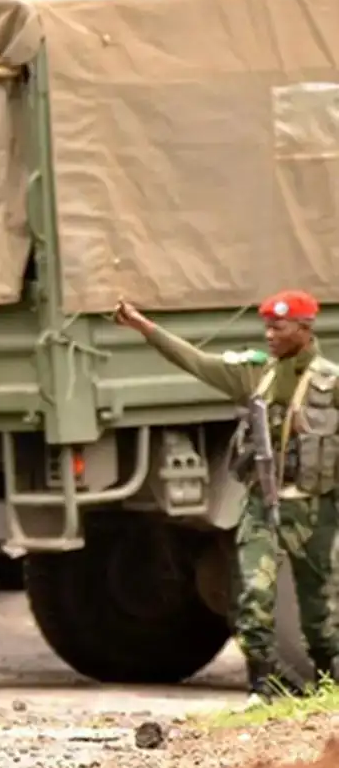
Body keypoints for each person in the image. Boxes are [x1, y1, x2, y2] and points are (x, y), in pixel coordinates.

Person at [115, 291, 339, 704]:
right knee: (254, 596)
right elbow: (195, 361)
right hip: (262, 505)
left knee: (320, 613)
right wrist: (145, 328)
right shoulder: (256, 375)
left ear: (304, 330)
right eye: (266, 326)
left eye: (279, 327)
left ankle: (329, 686)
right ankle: (260, 689)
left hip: (314, 509)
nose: (269, 335)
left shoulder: (331, 381)